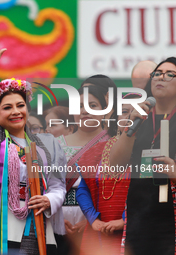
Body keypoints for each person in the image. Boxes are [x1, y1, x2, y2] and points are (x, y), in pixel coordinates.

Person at [0, 32, 66, 254]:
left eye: (20, 105)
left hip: (36, 228)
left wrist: (49, 200)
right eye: (7, 107)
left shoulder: (46, 145)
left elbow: (58, 185)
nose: (15, 111)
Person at [110, 57, 176, 255]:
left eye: (169, 74)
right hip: (141, 214)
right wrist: (131, 127)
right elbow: (115, 166)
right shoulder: (140, 116)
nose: (160, 78)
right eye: (157, 73)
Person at [74, 93, 141, 255]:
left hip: (136, 230)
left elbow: (148, 194)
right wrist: (93, 219)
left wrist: (125, 220)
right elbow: (82, 188)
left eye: (136, 112)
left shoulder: (148, 151)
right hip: (100, 230)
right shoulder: (96, 152)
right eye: (125, 111)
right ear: (116, 118)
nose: (130, 117)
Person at [59, 85, 113, 255]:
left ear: (105, 110)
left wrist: (92, 221)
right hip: (60, 221)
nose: (85, 111)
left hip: (100, 220)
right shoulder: (56, 143)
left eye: (93, 105)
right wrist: (57, 219)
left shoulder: (114, 144)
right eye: (80, 106)